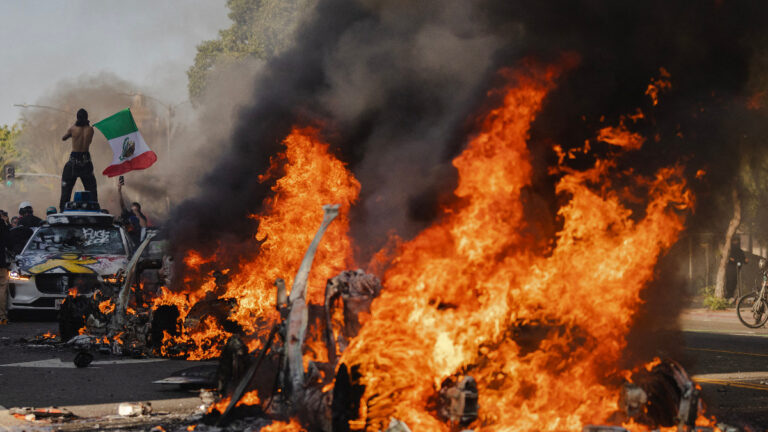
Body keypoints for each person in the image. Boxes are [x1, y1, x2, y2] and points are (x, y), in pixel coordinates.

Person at [60, 108, 97, 211]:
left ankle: (63, 211)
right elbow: (89, 141)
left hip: (73, 162)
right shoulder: (91, 129)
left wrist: (70, 133)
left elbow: (63, 138)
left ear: (77, 117)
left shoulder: (72, 129)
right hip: (86, 161)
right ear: (87, 117)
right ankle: (94, 210)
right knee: (92, 189)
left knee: (66, 191)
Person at [118, 181, 148, 246]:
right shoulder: (128, 214)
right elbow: (122, 204)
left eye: (135, 207)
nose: (133, 208)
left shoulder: (141, 216)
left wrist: (137, 213)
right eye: (132, 206)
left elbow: (144, 226)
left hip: (138, 240)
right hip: (127, 239)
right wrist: (119, 191)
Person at [725, 236, 747, 301]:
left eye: (737, 241)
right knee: (730, 283)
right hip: (730, 270)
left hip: (737, 270)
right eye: (734, 241)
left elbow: (744, 259)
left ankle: (734, 297)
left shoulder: (740, 251)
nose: (736, 242)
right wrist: (737, 260)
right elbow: (729, 259)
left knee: (735, 283)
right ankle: (729, 296)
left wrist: (744, 260)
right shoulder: (729, 251)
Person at [0, 210, 10, 325]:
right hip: (1, 263)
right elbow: (9, 242)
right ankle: (2, 316)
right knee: (2, 288)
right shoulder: (2, 225)